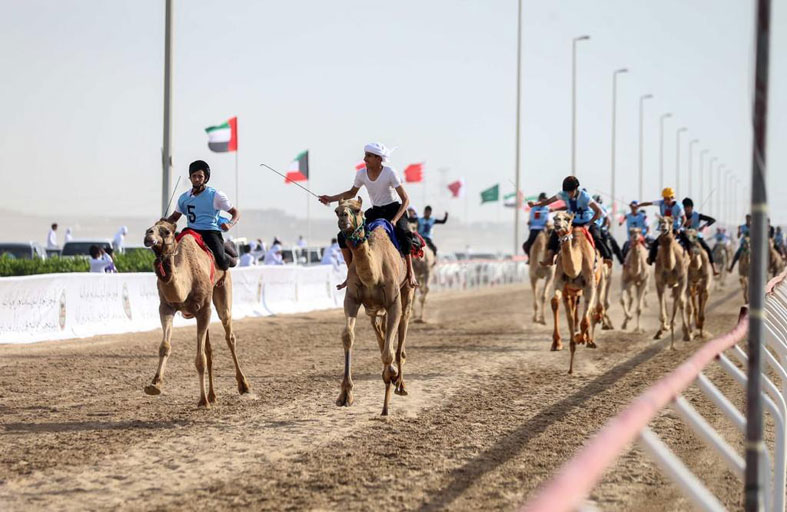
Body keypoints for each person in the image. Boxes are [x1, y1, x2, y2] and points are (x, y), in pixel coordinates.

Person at [318, 142, 418, 288]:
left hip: (394, 209)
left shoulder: (390, 172)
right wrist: (330, 199)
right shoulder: (361, 174)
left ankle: (410, 272)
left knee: (404, 234)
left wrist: (395, 220)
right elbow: (352, 193)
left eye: (369, 156)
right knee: (343, 236)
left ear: (379, 159)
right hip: (376, 211)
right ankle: (351, 274)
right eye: (365, 155)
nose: (365, 159)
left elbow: (406, 200)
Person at [162, 160, 239, 273]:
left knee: (222, 263)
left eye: (200, 176)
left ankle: (227, 250)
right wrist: (163, 224)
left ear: (206, 178)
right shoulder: (183, 198)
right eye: (194, 176)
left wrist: (230, 224)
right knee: (170, 249)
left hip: (210, 232)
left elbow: (236, 213)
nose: (197, 179)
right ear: (190, 178)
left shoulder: (216, 195)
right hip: (190, 231)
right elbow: (174, 217)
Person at [527, 176, 612, 266]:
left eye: (571, 191)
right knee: (556, 232)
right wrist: (535, 204)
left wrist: (588, 224)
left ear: (576, 189)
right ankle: (550, 257)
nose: (569, 194)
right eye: (567, 192)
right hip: (572, 222)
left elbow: (598, 212)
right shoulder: (563, 194)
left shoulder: (585, 196)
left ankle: (607, 257)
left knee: (596, 236)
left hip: (586, 222)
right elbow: (548, 201)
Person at [634, 187, 687, 265]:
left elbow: (684, 218)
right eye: (665, 199)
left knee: (687, 241)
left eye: (668, 199)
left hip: (676, 228)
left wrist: (679, 228)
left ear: (672, 198)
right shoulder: (661, 203)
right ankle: (651, 259)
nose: (666, 201)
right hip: (665, 229)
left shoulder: (678, 206)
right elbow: (649, 203)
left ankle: (689, 256)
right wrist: (639, 205)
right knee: (655, 244)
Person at [681, 197, 719, 275]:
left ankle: (713, 268)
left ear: (691, 207)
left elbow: (712, 220)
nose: (686, 209)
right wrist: (684, 224)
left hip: (695, 236)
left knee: (707, 249)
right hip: (683, 236)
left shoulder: (697, 215)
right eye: (684, 207)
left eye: (688, 207)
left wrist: (704, 226)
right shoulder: (681, 216)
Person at [593, 195, 624, 264]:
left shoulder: (601, 207)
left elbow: (607, 220)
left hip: (601, 229)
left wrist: (604, 228)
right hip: (598, 228)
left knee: (609, 243)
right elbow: (608, 222)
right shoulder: (594, 207)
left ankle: (611, 258)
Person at [522, 192, 550, 261]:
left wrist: (548, 223)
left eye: (546, 199)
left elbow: (548, 219)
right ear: (540, 199)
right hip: (534, 229)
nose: (545, 200)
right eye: (544, 199)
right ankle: (530, 257)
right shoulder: (533, 207)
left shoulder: (547, 208)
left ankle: (550, 258)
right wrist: (529, 222)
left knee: (551, 244)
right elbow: (531, 218)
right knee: (527, 245)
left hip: (543, 229)